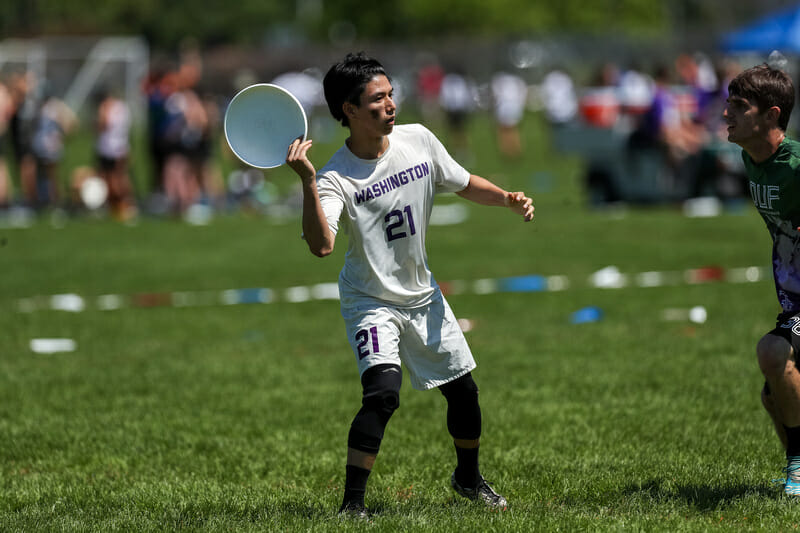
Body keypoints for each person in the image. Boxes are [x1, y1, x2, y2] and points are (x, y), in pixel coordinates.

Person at [285, 53, 534, 517]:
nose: (390, 104)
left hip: (423, 295)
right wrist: (308, 182)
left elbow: (460, 182)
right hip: (371, 300)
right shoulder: (336, 176)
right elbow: (321, 246)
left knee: (464, 392)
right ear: (350, 110)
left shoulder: (417, 139)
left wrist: (506, 198)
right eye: (377, 99)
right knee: (382, 393)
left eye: (390, 93)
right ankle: (352, 506)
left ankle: (468, 478)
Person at [724, 63, 800, 496]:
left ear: (771, 116)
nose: (726, 113)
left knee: (773, 353)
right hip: (792, 299)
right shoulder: (751, 161)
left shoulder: (796, 167)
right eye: (727, 104)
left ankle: (798, 466)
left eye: (739, 106)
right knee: (774, 396)